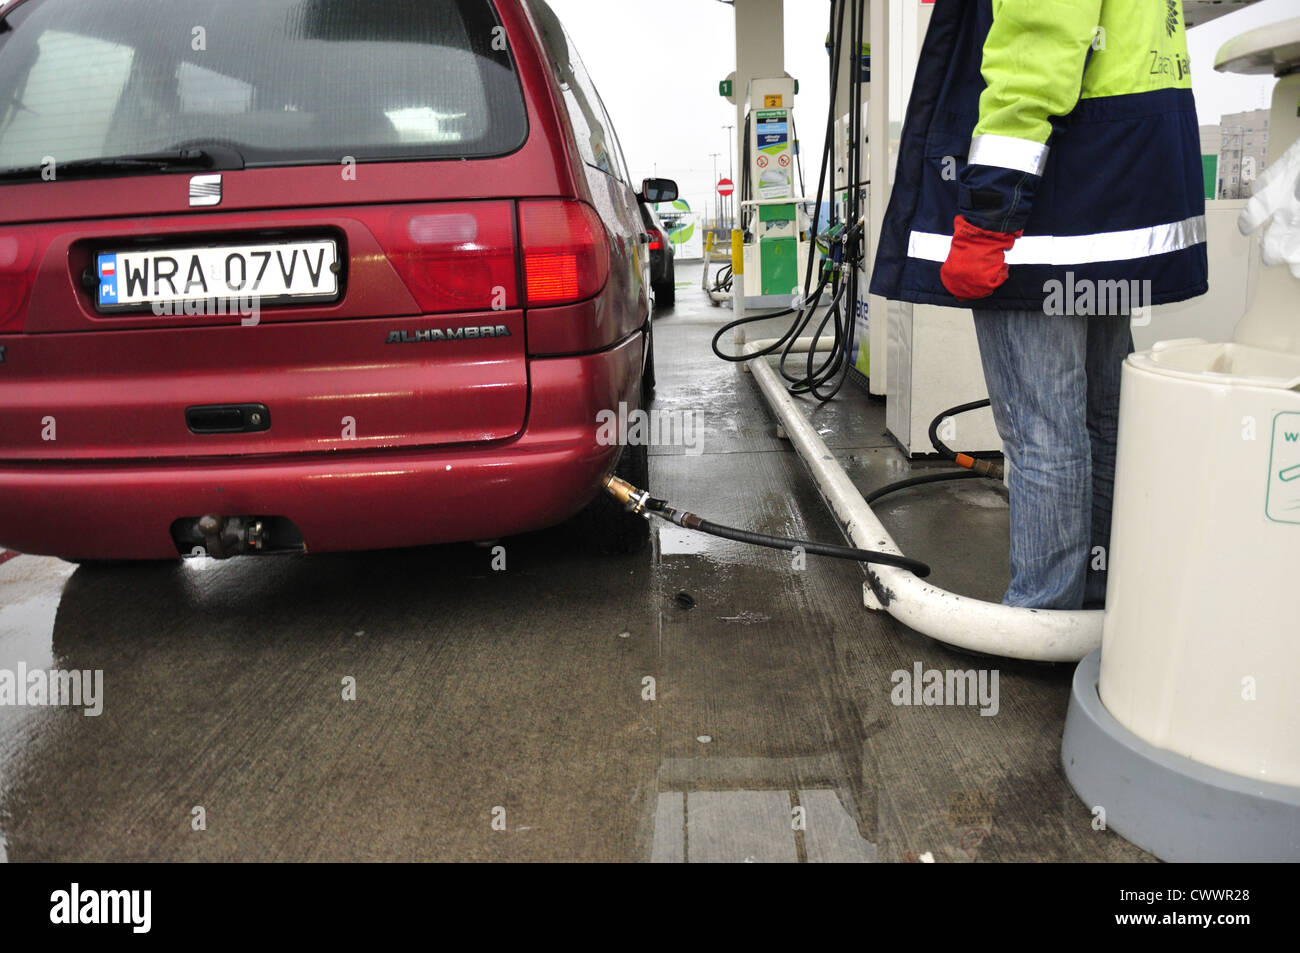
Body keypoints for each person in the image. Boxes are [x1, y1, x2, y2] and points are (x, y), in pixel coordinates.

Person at [870, 0, 1208, 609]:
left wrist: (988, 213)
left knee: (1043, 432)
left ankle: (1042, 617)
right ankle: (1100, 603)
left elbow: (1035, 59)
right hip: (1116, 200)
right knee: (1101, 418)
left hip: (1045, 212)